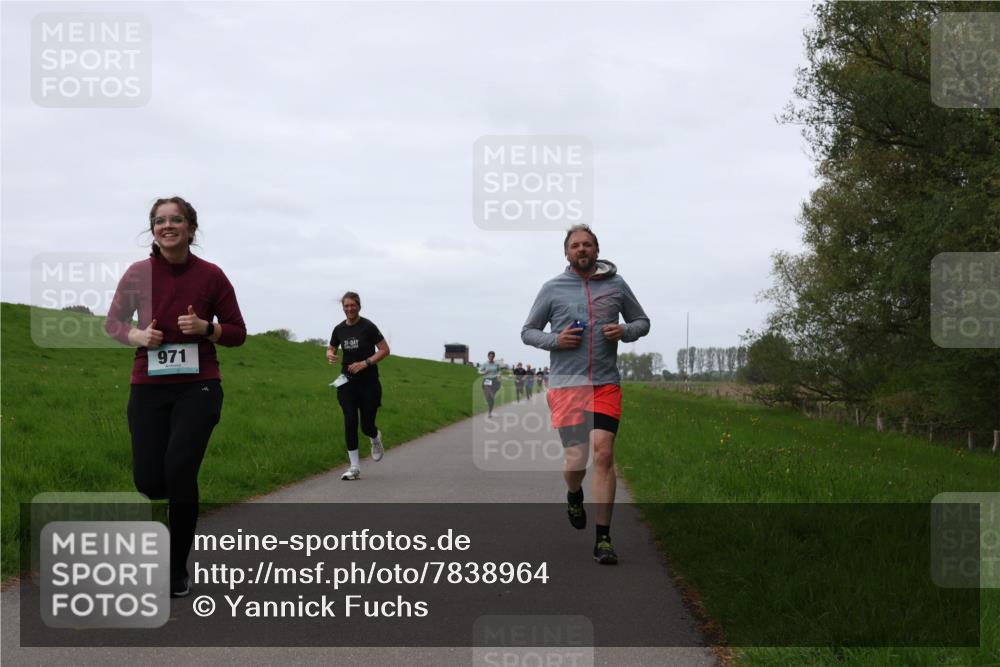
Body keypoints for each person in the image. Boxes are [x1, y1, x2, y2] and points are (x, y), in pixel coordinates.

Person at [105, 196, 247, 597]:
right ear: (153, 229)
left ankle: (174, 569)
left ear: (191, 228)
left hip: (198, 385)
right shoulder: (138, 274)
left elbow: (237, 332)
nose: (168, 226)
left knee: (181, 470)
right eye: (160, 220)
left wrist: (206, 328)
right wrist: (137, 335)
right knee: (150, 480)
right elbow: (112, 323)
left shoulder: (212, 276)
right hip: (148, 386)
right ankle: (175, 508)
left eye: (176, 219)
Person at [521, 224, 650, 565]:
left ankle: (603, 539)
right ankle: (574, 494)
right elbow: (528, 332)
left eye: (587, 244)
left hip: (605, 383)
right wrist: (555, 340)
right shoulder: (552, 288)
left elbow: (642, 322)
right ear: (567, 253)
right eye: (575, 245)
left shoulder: (617, 285)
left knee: (604, 454)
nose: (582, 249)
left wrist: (625, 331)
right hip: (567, 385)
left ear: (597, 250)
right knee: (576, 459)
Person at [327, 292, 390, 480]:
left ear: (359, 306)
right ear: (343, 308)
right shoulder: (339, 329)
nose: (349, 309)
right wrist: (329, 354)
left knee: (366, 425)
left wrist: (365, 363)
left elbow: (385, 350)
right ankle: (354, 467)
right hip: (347, 382)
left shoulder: (368, 327)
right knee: (350, 421)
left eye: (352, 305)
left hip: (369, 382)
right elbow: (332, 346)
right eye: (346, 306)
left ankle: (375, 437)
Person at [479, 351, 502, 418]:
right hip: (487, 380)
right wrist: (483, 372)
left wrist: (499, 374)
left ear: (494, 357)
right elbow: (479, 370)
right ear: (488, 356)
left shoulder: (496, 364)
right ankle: (487, 398)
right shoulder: (485, 364)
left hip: (494, 380)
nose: (491, 357)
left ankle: (490, 412)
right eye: (490, 356)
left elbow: (499, 370)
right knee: (489, 395)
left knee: (491, 398)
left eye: (492, 356)